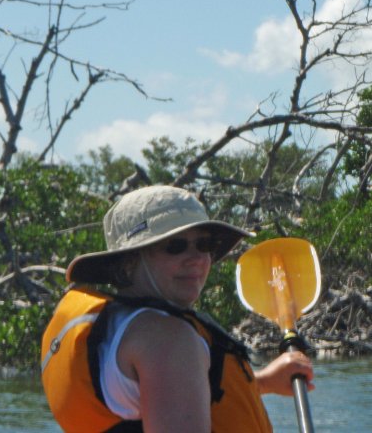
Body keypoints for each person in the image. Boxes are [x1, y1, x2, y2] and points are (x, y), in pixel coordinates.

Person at [41, 185, 314, 433]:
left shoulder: (118, 325)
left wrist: (263, 381)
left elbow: (159, 392)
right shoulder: (170, 340)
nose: (196, 258)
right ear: (130, 261)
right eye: (176, 246)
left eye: (204, 244)